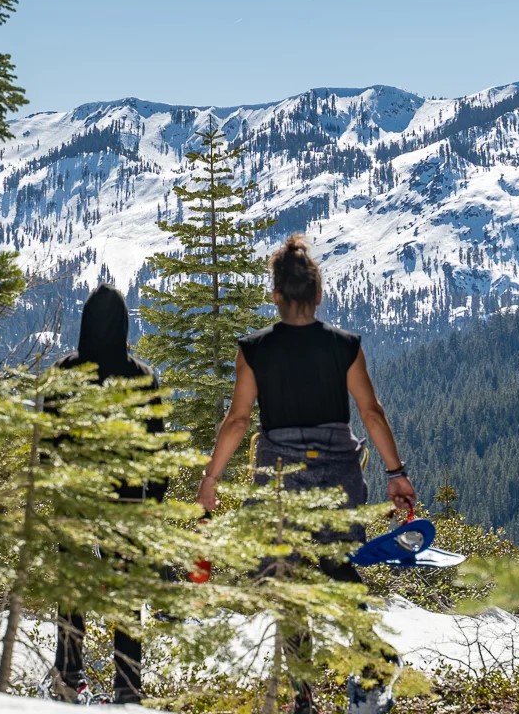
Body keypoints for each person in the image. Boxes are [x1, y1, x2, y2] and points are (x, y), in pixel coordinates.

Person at [195, 235, 416, 714]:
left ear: (275, 295)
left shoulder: (254, 350)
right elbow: (371, 412)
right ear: (317, 295)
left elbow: (236, 421)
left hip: (279, 475)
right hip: (339, 473)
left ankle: (303, 696)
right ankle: (375, 664)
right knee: (337, 566)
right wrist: (395, 472)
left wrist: (210, 481)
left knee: (284, 576)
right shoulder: (345, 347)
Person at [47, 285, 164, 705]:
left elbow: (50, 443)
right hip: (127, 500)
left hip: (75, 495)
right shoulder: (141, 376)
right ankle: (127, 687)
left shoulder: (63, 372)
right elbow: (158, 449)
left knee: (72, 592)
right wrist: (154, 505)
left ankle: (68, 677)